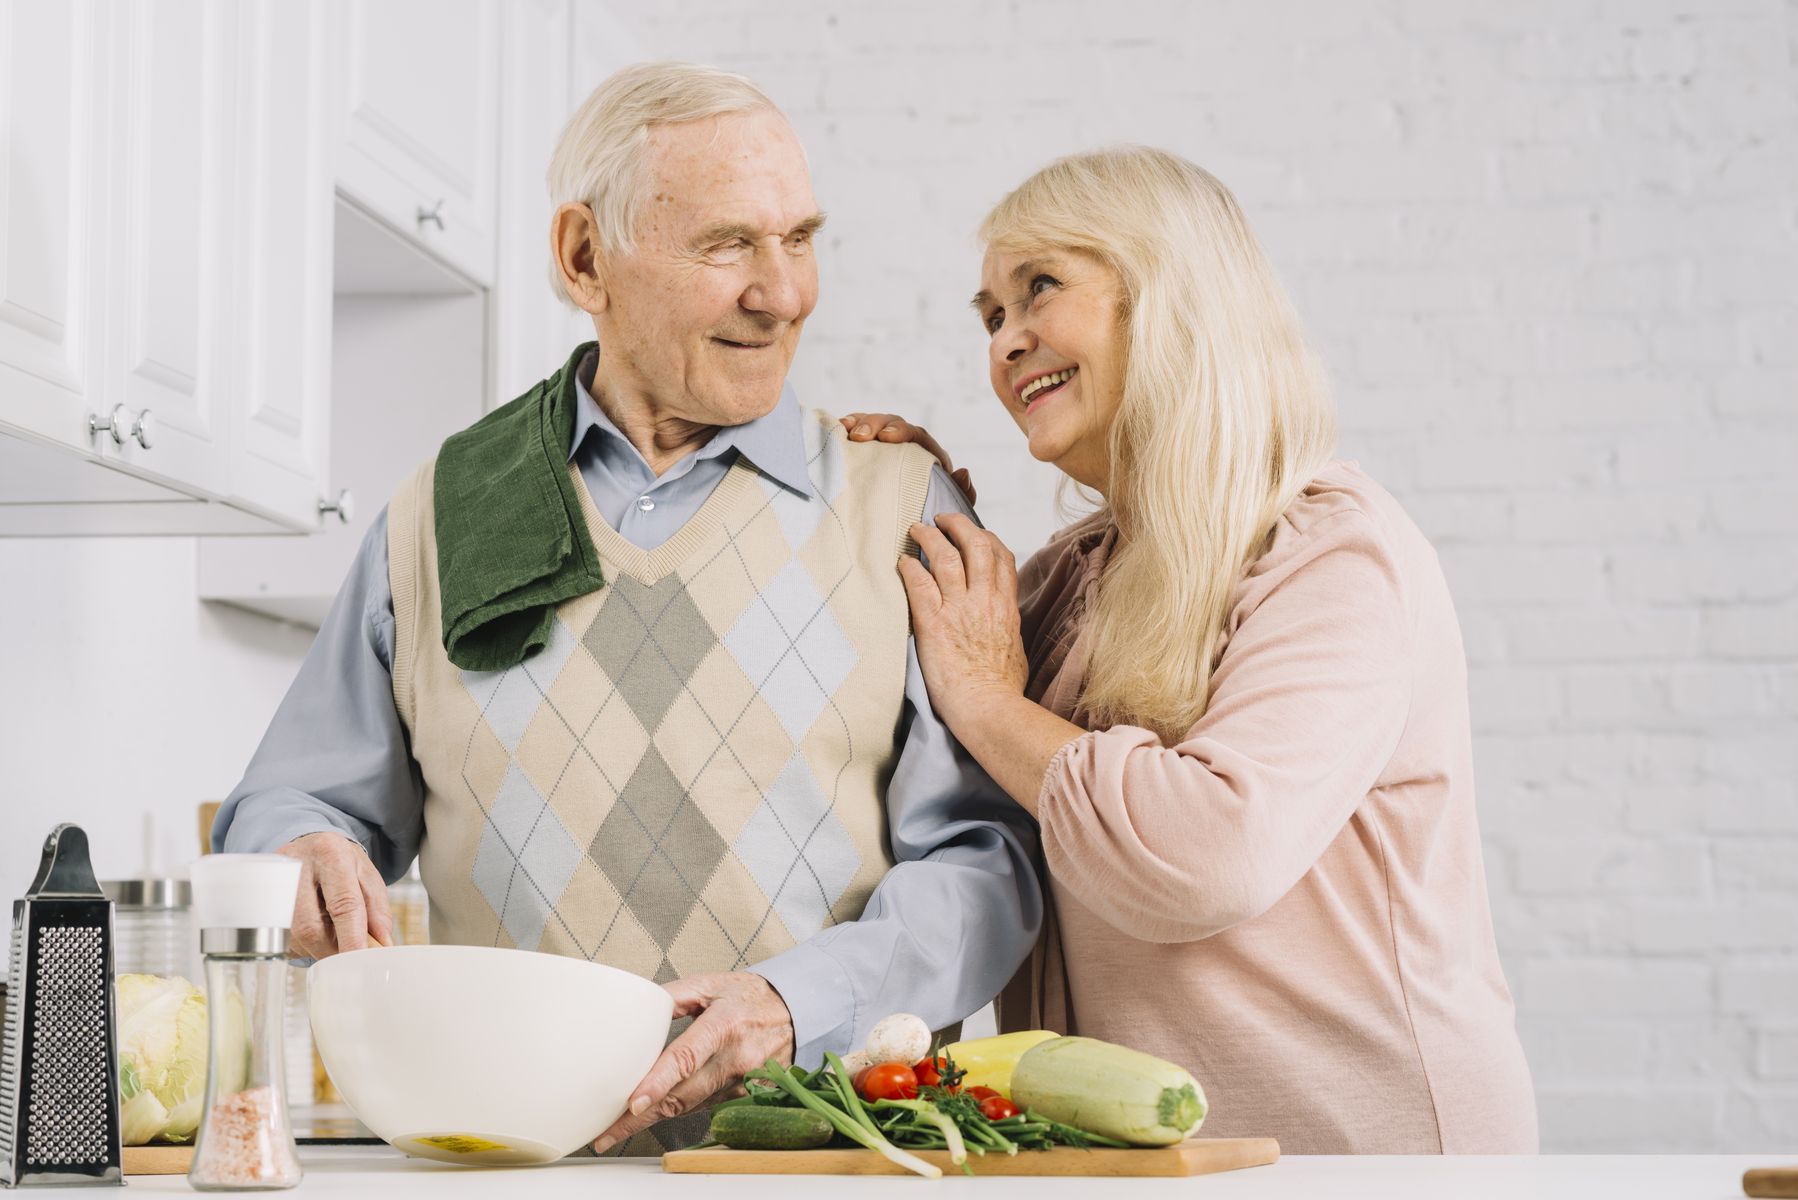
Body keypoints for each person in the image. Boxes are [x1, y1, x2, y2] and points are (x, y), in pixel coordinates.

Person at [213, 63, 1041, 1156]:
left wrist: (795, 1003)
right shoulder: (438, 516)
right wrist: (305, 848)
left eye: (800, 239)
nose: (783, 292)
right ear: (583, 258)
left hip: (821, 1164)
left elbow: (988, 863)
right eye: (728, 244)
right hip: (511, 1164)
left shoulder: (901, 510)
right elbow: (290, 801)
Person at [840, 146, 1537, 1154]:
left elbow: (1209, 855)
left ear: (1169, 295)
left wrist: (991, 700)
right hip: (1162, 1158)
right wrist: (890, 501)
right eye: (990, 315)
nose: (1006, 340)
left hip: (1363, 1156)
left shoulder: (1332, 553)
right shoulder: (1067, 582)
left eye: (1040, 288)